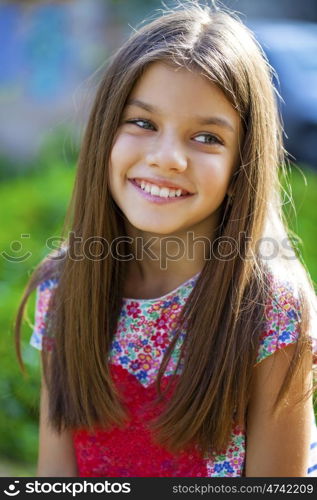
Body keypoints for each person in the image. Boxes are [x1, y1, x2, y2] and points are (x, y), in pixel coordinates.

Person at [15, 0, 317, 477]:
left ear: (243, 166)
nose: (167, 158)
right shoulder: (64, 287)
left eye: (207, 138)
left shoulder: (271, 306)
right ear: (103, 136)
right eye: (143, 123)